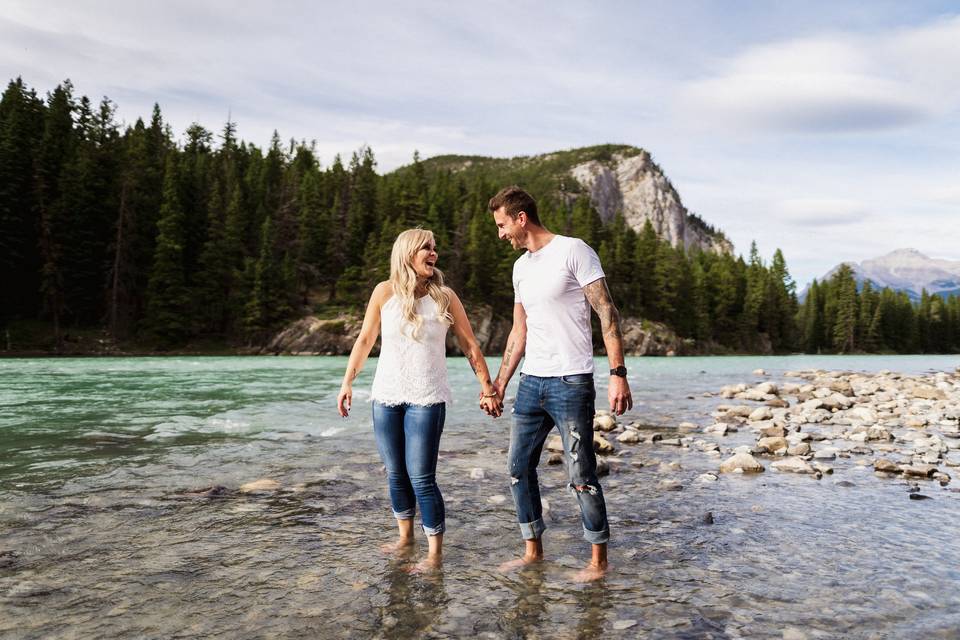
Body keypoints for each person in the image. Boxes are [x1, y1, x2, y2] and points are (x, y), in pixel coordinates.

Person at [488, 185, 633, 582]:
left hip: (571, 381)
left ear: (521, 218)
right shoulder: (521, 268)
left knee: (580, 474)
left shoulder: (574, 250)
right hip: (531, 382)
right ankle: (532, 551)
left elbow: (607, 312)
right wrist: (499, 383)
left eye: (502, 225)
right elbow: (519, 332)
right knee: (518, 468)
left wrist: (617, 374)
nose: (501, 234)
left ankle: (598, 563)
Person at [337, 228, 502, 573]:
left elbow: (470, 345)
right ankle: (405, 538)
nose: (434, 253)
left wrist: (487, 388)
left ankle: (434, 554)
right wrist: (347, 382)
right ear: (408, 253)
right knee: (396, 473)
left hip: (427, 398)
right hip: (385, 396)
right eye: (426, 247)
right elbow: (366, 339)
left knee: (422, 477)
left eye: (435, 248)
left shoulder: (445, 296)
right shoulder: (384, 292)